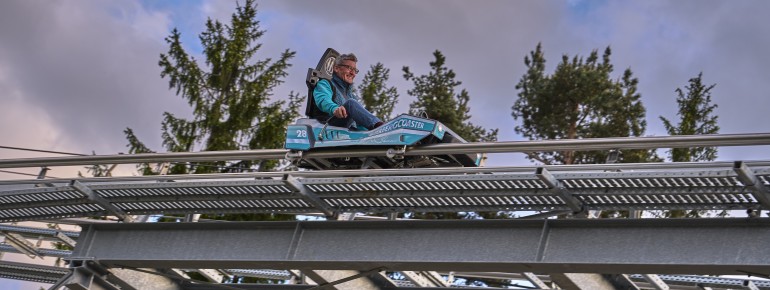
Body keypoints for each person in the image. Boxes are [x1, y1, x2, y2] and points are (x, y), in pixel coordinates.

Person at [313, 53, 384, 130]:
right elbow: (323, 100)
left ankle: (378, 130)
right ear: (336, 68)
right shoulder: (325, 84)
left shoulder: (351, 95)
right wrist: (334, 108)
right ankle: (381, 127)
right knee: (351, 103)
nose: (353, 73)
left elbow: (359, 123)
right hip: (328, 127)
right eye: (349, 68)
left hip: (348, 131)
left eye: (355, 70)